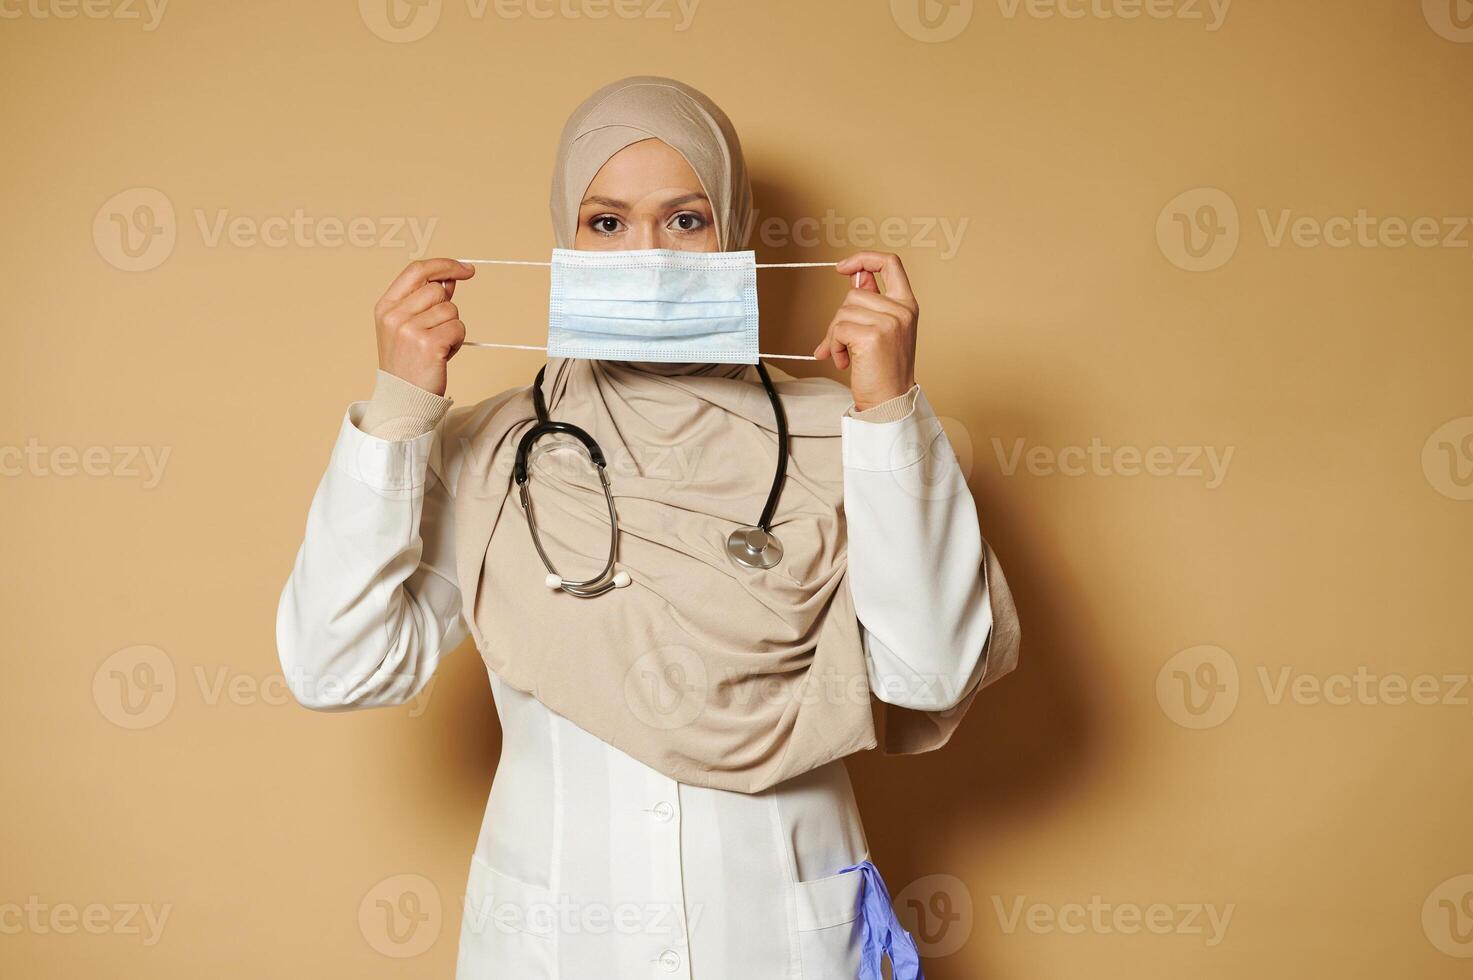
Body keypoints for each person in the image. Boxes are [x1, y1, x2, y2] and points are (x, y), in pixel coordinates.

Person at [277, 75, 1020, 979]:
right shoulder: (489, 453)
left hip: (779, 941)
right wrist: (398, 411)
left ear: (735, 232)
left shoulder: (846, 434)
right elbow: (334, 667)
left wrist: (890, 411)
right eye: (606, 223)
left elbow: (932, 669)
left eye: (684, 220)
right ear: (563, 234)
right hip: (557, 945)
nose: (649, 255)